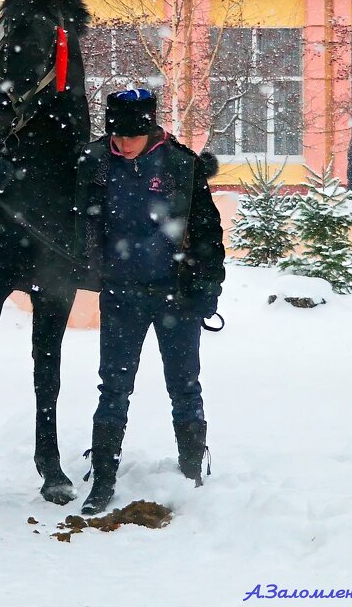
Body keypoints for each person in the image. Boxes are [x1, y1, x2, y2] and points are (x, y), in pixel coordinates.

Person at [75, 88, 226, 515]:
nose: (121, 144)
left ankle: (192, 471)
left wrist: (207, 287)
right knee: (113, 387)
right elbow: (72, 215)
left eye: (130, 137)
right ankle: (103, 478)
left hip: (175, 294)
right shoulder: (96, 162)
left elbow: (207, 232)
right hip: (121, 294)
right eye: (116, 136)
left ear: (148, 130)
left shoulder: (180, 164)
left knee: (184, 384)